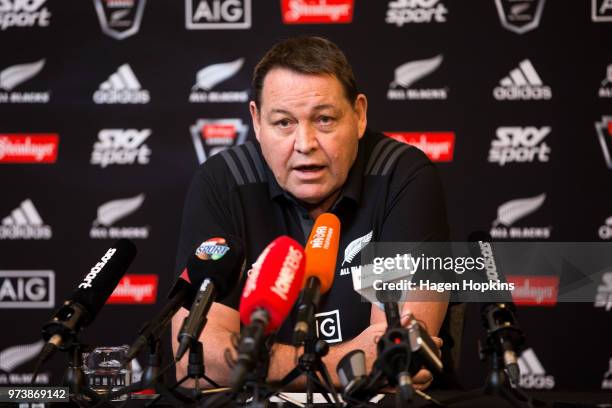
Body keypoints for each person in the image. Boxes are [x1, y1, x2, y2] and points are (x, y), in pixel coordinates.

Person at [171, 36, 450, 390]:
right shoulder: (223, 182)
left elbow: (402, 363)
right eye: (284, 123)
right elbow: (194, 362)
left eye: (324, 119)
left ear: (359, 115)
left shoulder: (403, 175)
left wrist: (252, 364)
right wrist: (346, 360)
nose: (304, 144)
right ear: (256, 121)